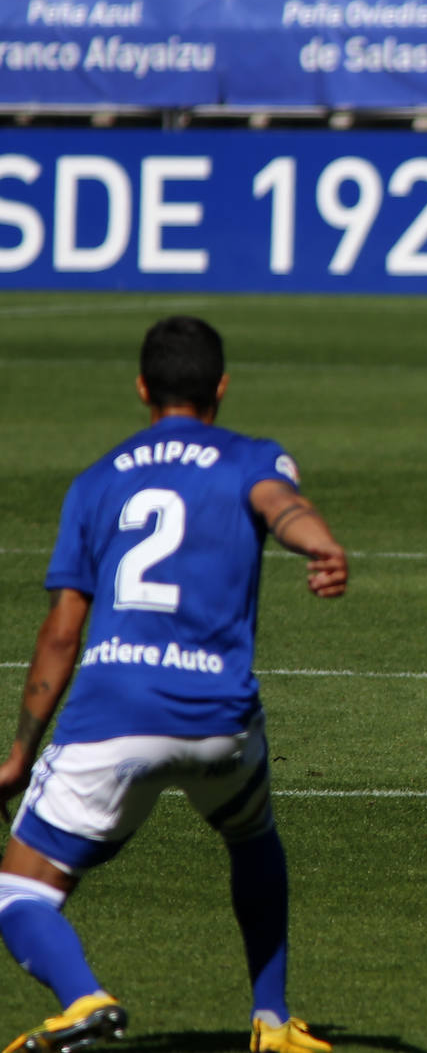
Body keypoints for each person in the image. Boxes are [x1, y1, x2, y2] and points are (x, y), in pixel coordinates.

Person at [0, 317, 347, 1052]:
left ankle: (84, 997)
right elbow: (281, 507)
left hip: (112, 718)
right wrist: (317, 542)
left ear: (140, 388)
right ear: (221, 387)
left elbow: (62, 632)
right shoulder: (251, 456)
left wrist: (20, 751)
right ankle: (272, 1019)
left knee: (19, 892)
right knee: (253, 838)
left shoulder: (96, 481)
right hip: (219, 720)